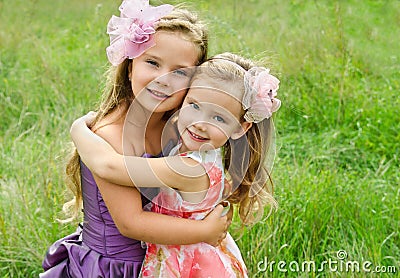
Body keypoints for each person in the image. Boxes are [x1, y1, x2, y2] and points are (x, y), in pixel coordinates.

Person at [40, 1, 230, 277]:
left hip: (168, 257)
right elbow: (130, 223)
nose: (163, 80)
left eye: (180, 72)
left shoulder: (177, 127)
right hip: (118, 266)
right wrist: (205, 231)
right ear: (130, 68)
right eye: (152, 63)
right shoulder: (111, 136)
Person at [70, 52, 281, 277]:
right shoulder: (199, 147)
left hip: (189, 262)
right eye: (194, 105)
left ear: (240, 128)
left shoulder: (189, 168)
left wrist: (78, 130)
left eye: (219, 118)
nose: (200, 123)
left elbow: (111, 168)